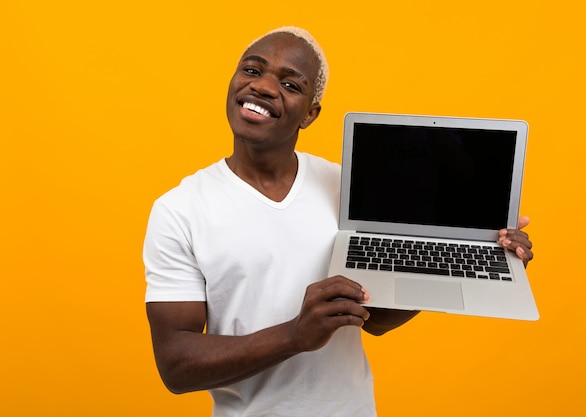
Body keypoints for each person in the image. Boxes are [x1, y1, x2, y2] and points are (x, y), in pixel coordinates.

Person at [143, 26, 534, 416]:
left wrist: (456, 262)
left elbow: (376, 319)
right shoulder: (180, 210)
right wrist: (294, 335)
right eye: (251, 70)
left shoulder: (349, 189)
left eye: (291, 84)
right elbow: (177, 365)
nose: (262, 86)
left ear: (310, 114)